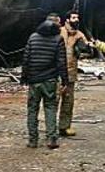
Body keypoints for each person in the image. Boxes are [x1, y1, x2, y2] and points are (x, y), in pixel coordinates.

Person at [21, 18, 69, 149]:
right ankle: (51, 139)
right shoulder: (58, 39)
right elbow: (61, 62)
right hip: (50, 80)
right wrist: (65, 80)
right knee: (50, 107)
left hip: (33, 80)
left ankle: (32, 140)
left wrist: (24, 77)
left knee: (32, 109)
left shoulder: (33, 37)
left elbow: (26, 58)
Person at [58, 11, 89, 137]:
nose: (76, 20)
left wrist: (81, 51)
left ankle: (64, 127)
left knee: (68, 101)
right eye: (73, 17)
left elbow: (88, 51)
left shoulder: (79, 35)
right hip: (58, 72)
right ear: (67, 20)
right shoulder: (59, 32)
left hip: (71, 72)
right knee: (53, 100)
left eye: (77, 18)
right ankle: (51, 128)